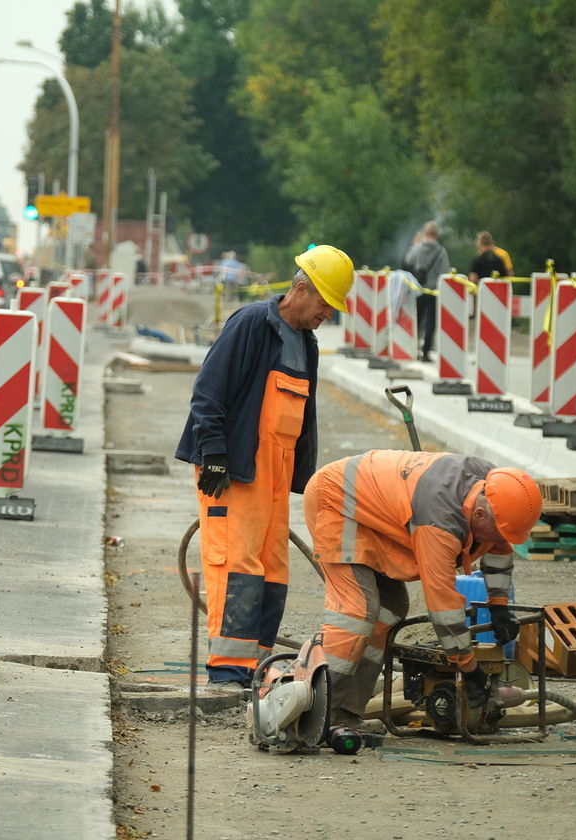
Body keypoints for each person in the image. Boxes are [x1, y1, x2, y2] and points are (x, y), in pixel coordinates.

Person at [175, 244, 355, 691]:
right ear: (299, 289)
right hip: (235, 469)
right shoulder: (253, 324)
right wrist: (213, 455)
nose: (327, 314)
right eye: (324, 303)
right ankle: (227, 669)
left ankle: (258, 665)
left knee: (271, 570)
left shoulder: (305, 345)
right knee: (234, 564)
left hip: (274, 475)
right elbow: (208, 393)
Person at [303, 450, 542, 730]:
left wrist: (499, 606)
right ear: (478, 515)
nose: (502, 542)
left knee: (391, 608)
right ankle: (307, 709)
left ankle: (344, 715)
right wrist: (469, 669)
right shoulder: (440, 523)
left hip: (370, 506)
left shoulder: (493, 488)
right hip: (335, 500)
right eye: (500, 534)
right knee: (358, 613)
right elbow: (443, 608)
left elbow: (500, 549)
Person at [403, 221, 450, 362]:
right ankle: (426, 352)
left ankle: (413, 348)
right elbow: (445, 271)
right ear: (437, 234)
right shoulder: (441, 251)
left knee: (417, 319)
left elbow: (408, 259)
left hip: (419, 289)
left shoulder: (418, 248)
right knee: (431, 322)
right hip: (434, 291)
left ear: (425, 233)